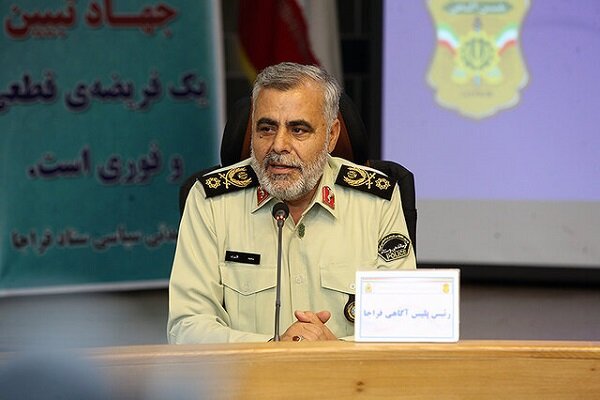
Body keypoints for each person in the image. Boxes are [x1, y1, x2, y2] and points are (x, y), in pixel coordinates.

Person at [168, 62, 416, 343]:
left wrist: (333, 350)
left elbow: (403, 323)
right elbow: (186, 326)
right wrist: (273, 348)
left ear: (331, 135)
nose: (278, 145)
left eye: (298, 130)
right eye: (266, 128)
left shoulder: (377, 200)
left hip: (349, 370)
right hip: (250, 371)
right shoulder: (211, 201)